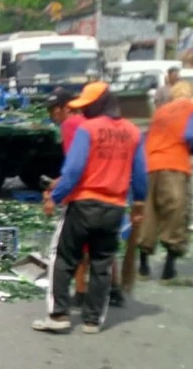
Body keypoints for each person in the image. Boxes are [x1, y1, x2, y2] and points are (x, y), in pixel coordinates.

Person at [34, 82, 147, 335]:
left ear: (99, 104)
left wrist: (55, 197)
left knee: (63, 259)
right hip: (114, 207)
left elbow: (73, 171)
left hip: (84, 204)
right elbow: (140, 174)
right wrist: (139, 203)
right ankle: (92, 321)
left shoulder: (88, 129)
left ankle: (59, 315)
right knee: (102, 263)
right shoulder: (133, 132)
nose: (83, 111)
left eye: (87, 106)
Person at [46, 88, 125, 308]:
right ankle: (115, 290)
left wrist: (56, 193)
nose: (52, 115)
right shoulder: (116, 127)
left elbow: (76, 166)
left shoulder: (72, 126)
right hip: (114, 196)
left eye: (54, 110)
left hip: (85, 194)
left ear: (65, 108)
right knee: (103, 250)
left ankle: (79, 293)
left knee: (76, 248)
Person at [139, 79, 193, 281]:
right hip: (174, 167)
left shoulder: (161, 111)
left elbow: (152, 138)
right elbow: (191, 135)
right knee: (175, 214)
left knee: (149, 212)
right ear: (192, 94)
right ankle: (169, 267)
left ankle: (143, 265)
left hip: (150, 164)